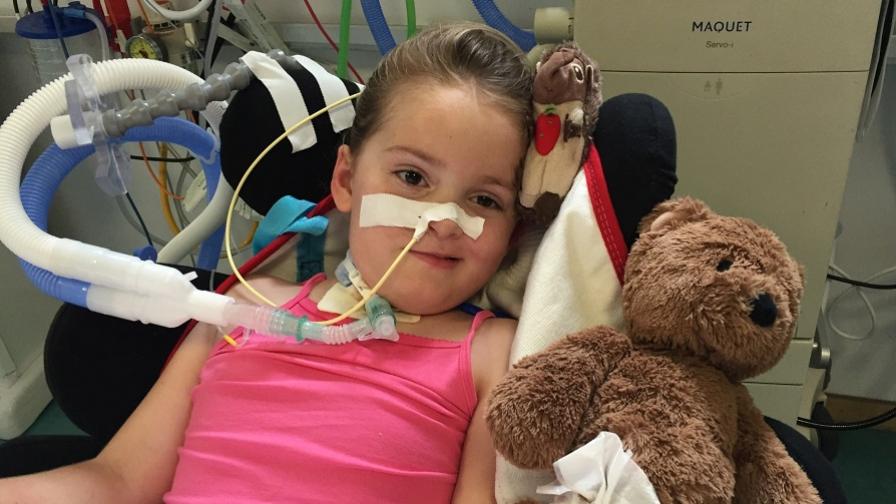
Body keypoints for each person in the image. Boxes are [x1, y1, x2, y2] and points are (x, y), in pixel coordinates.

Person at [1, 22, 533, 503]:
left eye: (484, 201)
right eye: (412, 178)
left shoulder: (492, 354)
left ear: (513, 230)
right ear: (346, 180)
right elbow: (116, 480)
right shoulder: (239, 305)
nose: (442, 220)